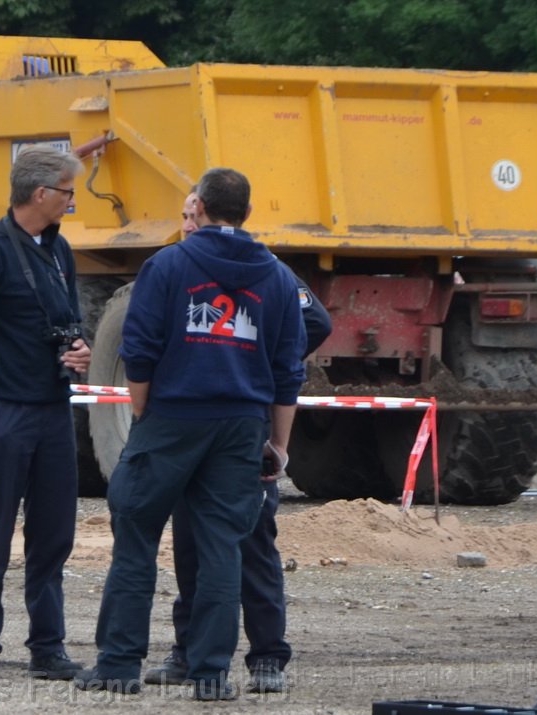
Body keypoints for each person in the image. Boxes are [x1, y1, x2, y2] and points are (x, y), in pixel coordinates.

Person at [75, 168, 308, 700]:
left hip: (172, 417)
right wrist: (279, 444)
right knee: (223, 546)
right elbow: (287, 369)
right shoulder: (276, 277)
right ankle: (210, 674)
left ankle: (118, 664)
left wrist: (143, 414)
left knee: (135, 538)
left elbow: (139, 347)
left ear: (198, 206)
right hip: (240, 425)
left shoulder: (168, 265)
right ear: (246, 213)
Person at [143, 191, 332, 694]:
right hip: (195, 430)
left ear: (207, 212)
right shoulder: (180, 268)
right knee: (189, 544)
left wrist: (260, 360)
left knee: (252, 543)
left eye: (190, 215)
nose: (185, 225)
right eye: (180, 216)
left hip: (243, 431)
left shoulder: (263, 269)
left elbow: (316, 321)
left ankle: (267, 657)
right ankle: (188, 650)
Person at [0, 145, 91, 681]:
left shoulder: (60, 252)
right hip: (6, 414)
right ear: (40, 194)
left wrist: (77, 348)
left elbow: (69, 319)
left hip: (53, 411)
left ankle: (47, 647)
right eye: (68, 193)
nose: (72, 202)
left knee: (53, 535)